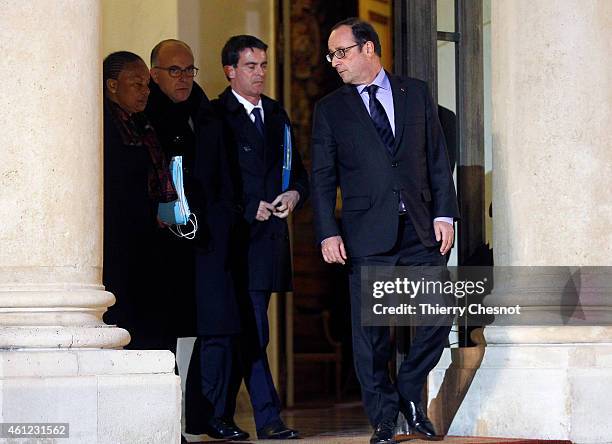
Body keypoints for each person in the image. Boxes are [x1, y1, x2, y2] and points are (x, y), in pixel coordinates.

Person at [310, 18, 460, 444]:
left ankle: (409, 389)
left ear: (369, 49)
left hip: (418, 227)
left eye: (341, 52)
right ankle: (383, 418)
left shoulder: (416, 94)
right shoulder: (331, 109)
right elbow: (322, 177)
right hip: (365, 233)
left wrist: (444, 214)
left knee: (437, 314)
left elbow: (435, 156)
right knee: (371, 337)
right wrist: (327, 232)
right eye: (331, 55)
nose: (334, 62)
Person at [145, 39, 247, 441]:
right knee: (162, 333)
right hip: (162, 243)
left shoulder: (207, 113)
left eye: (189, 70)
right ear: (155, 74)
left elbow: (225, 174)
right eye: (175, 71)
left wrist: (224, 219)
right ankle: (162, 421)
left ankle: (208, 415)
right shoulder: (146, 116)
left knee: (217, 328)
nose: (184, 78)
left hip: (208, 239)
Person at [212, 35, 309, 440]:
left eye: (264, 65)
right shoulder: (215, 115)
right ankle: (266, 419)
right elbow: (212, 180)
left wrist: (293, 194)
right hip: (234, 243)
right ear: (230, 70)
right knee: (253, 331)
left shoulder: (276, 113)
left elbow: (298, 172)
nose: (260, 73)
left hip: (268, 243)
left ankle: (215, 417)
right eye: (251, 66)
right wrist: (248, 204)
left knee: (248, 330)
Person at [102, 51, 177, 349]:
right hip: (120, 246)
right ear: (112, 85)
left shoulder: (144, 123)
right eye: (137, 84)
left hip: (151, 243)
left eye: (147, 84)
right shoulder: (102, 127)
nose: (146, 91)